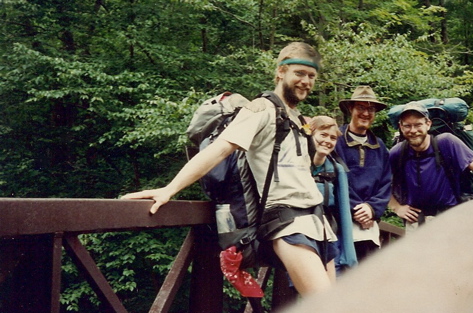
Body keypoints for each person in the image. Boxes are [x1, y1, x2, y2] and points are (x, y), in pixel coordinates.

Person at [122, 42, 338, 297]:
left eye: (311, 76)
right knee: (330, 311)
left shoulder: (297, 118)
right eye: (299, 73)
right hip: (289, 223)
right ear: (281, 72)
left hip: (318, 221)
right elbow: (218, 150)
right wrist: (170, 189)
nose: (306, 81)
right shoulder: (261, 109)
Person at [388, 101, 473, 228]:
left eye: (418, 125)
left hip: (452, 218)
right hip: (416, 223)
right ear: (401, 127)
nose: (413, 130)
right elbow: (379, 183)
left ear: (428, 124)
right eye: (407, 126)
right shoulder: (398, 152)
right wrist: (396, 207)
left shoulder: (446, 142)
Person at [334, 86, 391, 261]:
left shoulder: (380, 147)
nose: (366, 113)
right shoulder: (335, 140)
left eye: (371, 109)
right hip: (339, 220)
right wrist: (356, 210)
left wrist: (372, 209)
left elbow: (386, 183)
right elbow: (334, 179)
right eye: (361, 107)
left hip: (368, 225)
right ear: (351, 109)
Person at [308, 116, 358, 274]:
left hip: (329, 238)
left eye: (333, 138)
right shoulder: (296, 165)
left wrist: (349, 257)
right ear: (311, 135)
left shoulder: (337, 170)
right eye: (323, 135)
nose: (328, 141)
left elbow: (344, 213)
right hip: (302, 237)